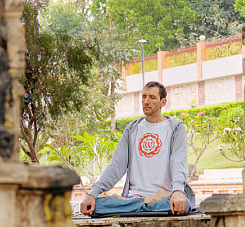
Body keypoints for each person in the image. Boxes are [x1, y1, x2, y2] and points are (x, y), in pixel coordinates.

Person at [81, 81, 195, 216]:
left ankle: (132, 205)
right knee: (96, 207)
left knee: (183, 204)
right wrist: (92, 194)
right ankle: (147, 201)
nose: (146, 101)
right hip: (135, 196)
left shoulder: (175, 128)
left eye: (152, 97)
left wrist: (177, 191)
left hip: (167, 197)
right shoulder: (132, 129)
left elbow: (178, 162)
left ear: (163, 102)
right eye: (144, 97)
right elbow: (116, 166)